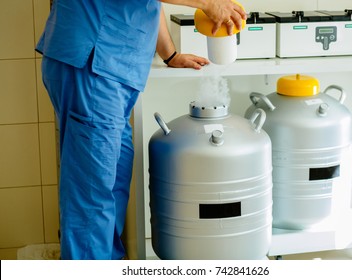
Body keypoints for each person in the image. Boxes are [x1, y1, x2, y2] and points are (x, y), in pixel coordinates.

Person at [36, 0, 246, 260]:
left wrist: (170, 54)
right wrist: (209, 4)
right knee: (93, 195)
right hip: (94, 63)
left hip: (111, 70)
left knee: (112, 184)